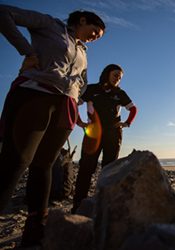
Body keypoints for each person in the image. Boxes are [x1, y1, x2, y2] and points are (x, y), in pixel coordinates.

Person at [0, 4, 105, 246]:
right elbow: (3, 13)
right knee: (16, 161)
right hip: (35, 95)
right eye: (94, 31)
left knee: (44, 164)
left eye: (98, 37)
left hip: (64, 107)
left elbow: (84, 81)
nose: (94, 37)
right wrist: (26, 51)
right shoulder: (49, 25)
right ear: (81, 20)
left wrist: (76, 100)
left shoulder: (83, 51)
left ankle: (36, 228)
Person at [72, 64, 137, 213]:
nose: (117, 79)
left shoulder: (120, 93)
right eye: (115, 75)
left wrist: (127, 123)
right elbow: (74, 103)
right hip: (93, 134)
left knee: (109, 169)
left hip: (113, 134)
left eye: (120, 78)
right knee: (86, 169)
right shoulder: (91, 89)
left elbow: (133, 109)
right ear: (107, 74)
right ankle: (78, 205)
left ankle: (104, 204)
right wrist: (79, 122)